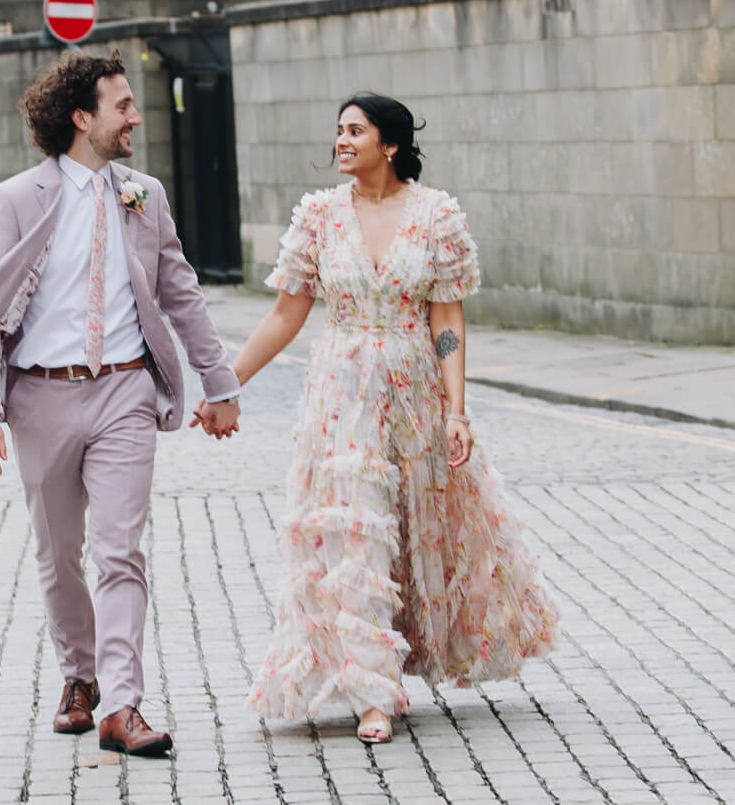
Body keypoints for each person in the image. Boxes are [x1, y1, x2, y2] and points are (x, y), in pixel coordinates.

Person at [193, 92, 559, 744]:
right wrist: (225, 383)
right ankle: (370, 693)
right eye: (337, 130)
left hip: (414, 389)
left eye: (353, 131)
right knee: (354, 534)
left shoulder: (434, 215)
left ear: (387, 144)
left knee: (422, 529)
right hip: (342, 396)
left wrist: (457, 410)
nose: (340, 141)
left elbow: (446, 316)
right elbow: (285, 314)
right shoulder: (318, 216)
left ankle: (402, 659)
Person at [0, 51, 240, 757]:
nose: (136, 117)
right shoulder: (15, 199)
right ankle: (78, 677)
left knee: (119, 551)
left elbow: (180, 291)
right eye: (123, 106)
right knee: (58, 553)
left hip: (125, 391)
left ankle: (123, 704)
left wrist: (217, 379)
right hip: (41, 395)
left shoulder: (143, 194)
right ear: (82, 119)